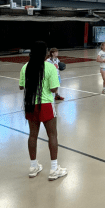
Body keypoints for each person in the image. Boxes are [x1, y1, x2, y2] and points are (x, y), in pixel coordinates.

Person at [19, 41, 67, 181]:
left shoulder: (25, 67)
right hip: (45, 104)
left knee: (32, 135)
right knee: (52, 135)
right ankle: (54, 169)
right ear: (45, 53)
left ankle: (33, 167)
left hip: (30, 104)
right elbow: (54, 89)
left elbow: (22, 86)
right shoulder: (50, 67)